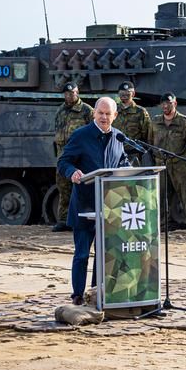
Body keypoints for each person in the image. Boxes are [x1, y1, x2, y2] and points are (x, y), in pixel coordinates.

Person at [57, 97, 130, 306]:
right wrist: (72, 172)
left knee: (103, 253)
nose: (104, 117)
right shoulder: (81, 136)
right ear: (94, 113)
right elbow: (63, 162)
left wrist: (128, 171)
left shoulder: (119, 138)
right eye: (101, 113)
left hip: (109, 206)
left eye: (109, 114)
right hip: (84, 205)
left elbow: (122, 161)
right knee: (81, 254)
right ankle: (78, 295)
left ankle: (97, 293)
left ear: (115, 116)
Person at [149, 92, 186, 227]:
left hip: (179, 164)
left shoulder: (184, 121)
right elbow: (150, 141)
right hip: (161, 164)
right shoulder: (155, 121)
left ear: (174, 103)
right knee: (161, 196)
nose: (165, 106)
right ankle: (163, 224)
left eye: (168, 103)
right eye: (163, 103)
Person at [52, 82, 93, 232]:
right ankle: (63, 220)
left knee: (82, 186)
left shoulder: (86, 110)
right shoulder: (61, 111)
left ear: (78, 93)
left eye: (73, 93)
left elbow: (93, 132)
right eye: (67, 93)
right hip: (64, 154)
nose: (70, 95)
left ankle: (82, 219)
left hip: (80, 155)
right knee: (63, 187)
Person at [112, 81, 150, 165]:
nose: (124, 97)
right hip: (115, 154)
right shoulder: (113, 110)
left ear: (133, 94)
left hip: (134, 155)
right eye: (122, 94)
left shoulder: (141, 112)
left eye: (127, 94)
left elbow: (147, 135)